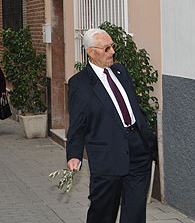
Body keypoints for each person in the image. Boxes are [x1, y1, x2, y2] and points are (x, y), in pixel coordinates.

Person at [67, 28, 157, 223]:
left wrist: (145, 137)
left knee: (135, 213)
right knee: (103, 213)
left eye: (112, 46)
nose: (112, 52)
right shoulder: (80, 84)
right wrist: (74, 154)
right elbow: (77, 124)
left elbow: (133, 105)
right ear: (91, 52)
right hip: (107, 156)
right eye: (106, 48)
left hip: (138, 150)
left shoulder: (120, 71)